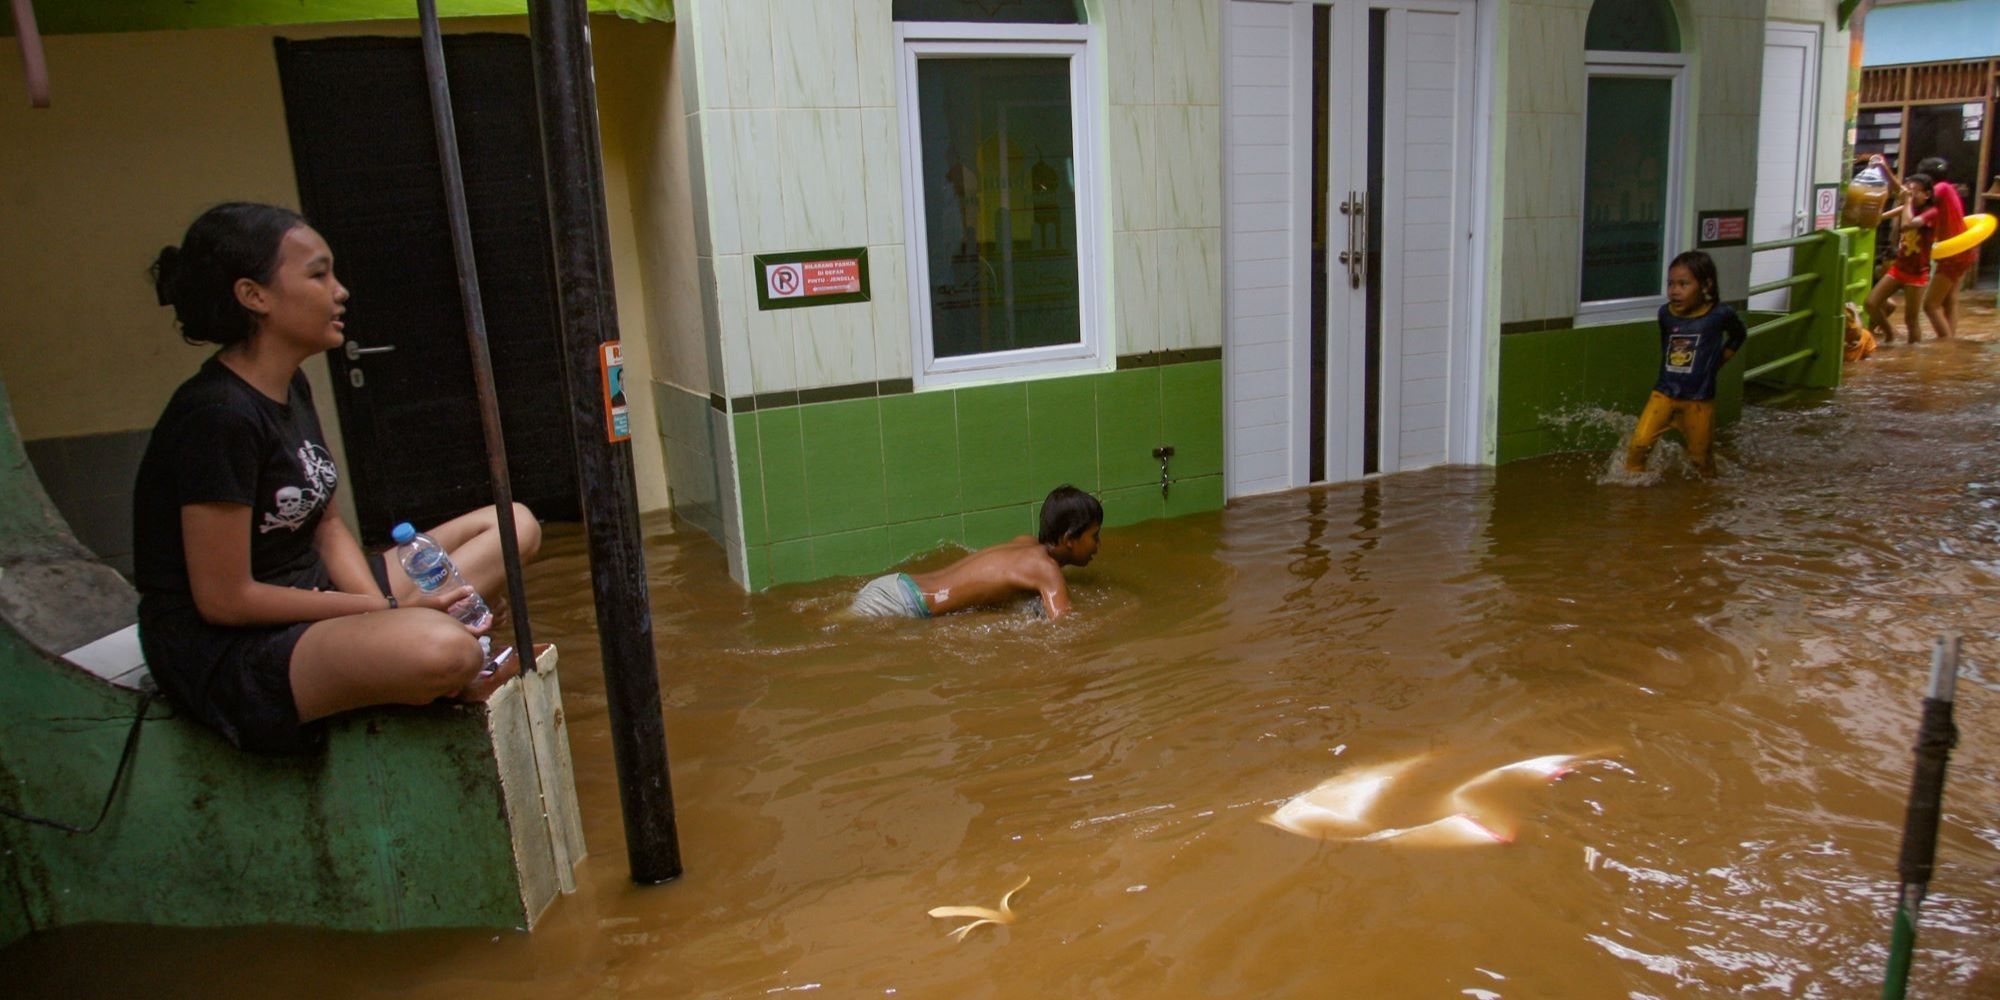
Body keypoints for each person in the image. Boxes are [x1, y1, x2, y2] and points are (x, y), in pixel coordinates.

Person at [135, 202, 542, 754]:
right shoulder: (217, 416)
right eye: (318, 274)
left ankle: (389, 652)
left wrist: (380, 611)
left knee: (514, 524)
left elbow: (325, 524)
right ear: (254, 296)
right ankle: (404, 661)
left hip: (314, 592)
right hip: (233, 646)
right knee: (447, 653)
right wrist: (384, 614)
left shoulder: (291, 386)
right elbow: (224, 599)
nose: (340, 290)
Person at [850, 485, 1102, 620]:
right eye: (1094, 536)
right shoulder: (1046, 569)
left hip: (896, 585)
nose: (1098, 546)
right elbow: (1066, 628)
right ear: (1070, 538)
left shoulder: (1024, 543)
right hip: (901, 605)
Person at [1624, 250, 1746, 477]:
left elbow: (1739, 335)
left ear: (1706, 285)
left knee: (1701, 460)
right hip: (1664, 393)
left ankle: (1704, 502)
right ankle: (1632, 499)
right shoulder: (1666, 315)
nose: (1675, 291)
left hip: (1698, 400)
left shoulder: (1719, 315)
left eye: (1683, 284)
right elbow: (1667, 347)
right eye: (1671, 284)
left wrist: (1717, 362)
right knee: (1638, 446)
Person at [1865, 172, 1938, 344]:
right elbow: (1897, 203)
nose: (1910, 194)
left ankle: (1912, 357)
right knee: (1870, 303)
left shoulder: (1931, 212)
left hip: (1917, 273)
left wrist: (1906, 202)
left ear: (1927, 195)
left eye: (1915, 191)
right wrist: (1878, 216)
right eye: (1909, 190)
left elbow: (1907, 225)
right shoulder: (1911, 206)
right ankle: (1890, 334)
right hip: (1899, 268)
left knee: (1911, 321)